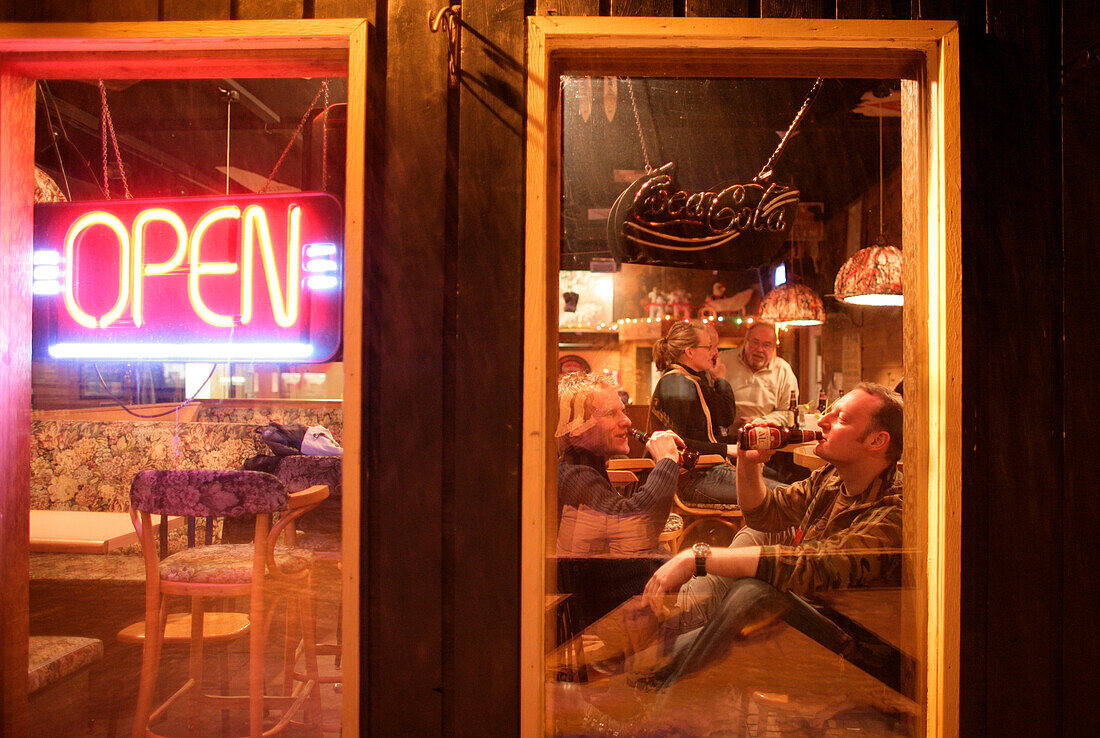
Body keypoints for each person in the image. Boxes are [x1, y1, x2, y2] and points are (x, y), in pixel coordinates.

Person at [640, 382, 904, 687]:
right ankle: (670, 660)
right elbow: (765, 514)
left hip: (857, 647)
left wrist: (698, 557)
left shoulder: (893, 509)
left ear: (877, 441)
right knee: (754, 545)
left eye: (841, 419)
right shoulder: (831, 479)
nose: (822, 422)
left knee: (755, 593)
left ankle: (668, 670)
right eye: (828, 412)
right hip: (809, 614)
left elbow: (814, 564)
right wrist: (749, 463)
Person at [556, 371, 684, 556]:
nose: (627, 421)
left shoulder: (581, 468)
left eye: (622, 411)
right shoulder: (575, 476)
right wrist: (666, 461)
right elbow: (637, 528)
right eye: (611, 413)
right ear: (577, 428)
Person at [649, 320, 740, 504]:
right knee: (775, 496)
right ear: (689, 352)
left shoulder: (689, 380)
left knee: (779, 490)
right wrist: (728, 449)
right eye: (708, 347)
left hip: (705, 472)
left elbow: (724, 416)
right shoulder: (676, 384)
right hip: (689, 480)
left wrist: (719, 380)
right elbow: (677, 444)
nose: (714, 353)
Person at [723, 321, 799, 429]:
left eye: (766, 345)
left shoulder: (783, 370)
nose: (759, 349)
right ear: (746, 342)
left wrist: (762, 421)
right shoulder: (724, 360)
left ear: (774, 348)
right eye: (755, 342)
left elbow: (788, 412)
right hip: (726, 436)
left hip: (766, 435)